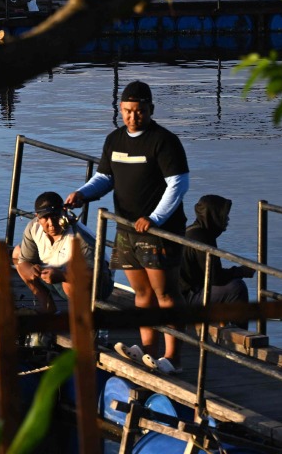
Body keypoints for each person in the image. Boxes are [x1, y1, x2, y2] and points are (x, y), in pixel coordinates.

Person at [66, 80, 189, 375]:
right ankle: (147, 352)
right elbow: (105, 178)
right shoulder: (114, 140)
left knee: (166, 294)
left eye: (139, 111)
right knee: (141, 293)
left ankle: (172, 358)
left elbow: (178, 184)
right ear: (120, 109)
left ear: (150, 109)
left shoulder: (164, 141)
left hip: (158, 230)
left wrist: (156, 218)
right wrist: (83, 193)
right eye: (127, 111)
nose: (133, 117)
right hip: (126, 227)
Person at [14, 191, 112, 314]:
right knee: (17, 253)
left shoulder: (80, 238)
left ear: (64, 213)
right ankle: (47, 306)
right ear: (37, 218)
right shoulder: (33, 227)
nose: (51, 223)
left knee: (70, 278)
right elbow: (24, 262)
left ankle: (81, 317)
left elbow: (99, 276)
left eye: (55, 216)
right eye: (45, 218)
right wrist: (30, 270)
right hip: (52, 273)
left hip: (96, 285)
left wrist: (63, 276)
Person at [180, 195, 255, 313]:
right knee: (237, 288)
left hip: (185, 293)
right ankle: (238, 329)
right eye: (224, 215)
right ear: (213, 215)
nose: (227, 219)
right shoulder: (202, 239)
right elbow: (216, 277)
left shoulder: (193, 231)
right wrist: (241, 271)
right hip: (187, 298)